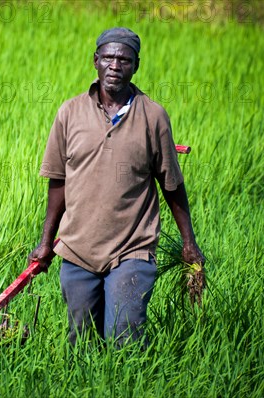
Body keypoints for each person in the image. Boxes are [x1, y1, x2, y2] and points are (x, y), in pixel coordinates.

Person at [28, 27, 205, 346]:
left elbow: (171, 185)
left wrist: (188, 241)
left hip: (132, 248)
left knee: (125, 336)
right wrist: (45, 242)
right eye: (108, 57)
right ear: (95, 61)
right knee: (81, 339)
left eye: (124, 59)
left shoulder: (153, 117)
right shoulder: (70, 113)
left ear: (136, 65)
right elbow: (58, 181)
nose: (115, 65)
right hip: (77, 247)